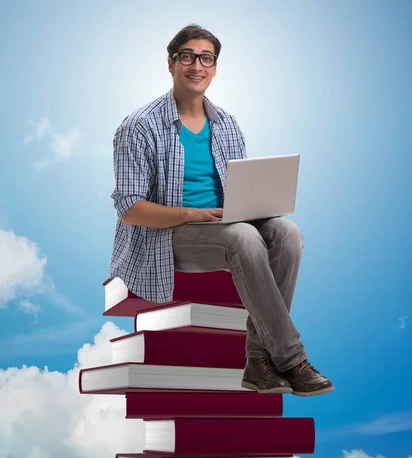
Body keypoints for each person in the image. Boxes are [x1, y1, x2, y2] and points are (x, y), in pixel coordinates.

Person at [109, 24, 334, 397]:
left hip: (225, 224)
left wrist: (256, 204)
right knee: (243, 237)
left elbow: (240, 188)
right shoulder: (140, 126)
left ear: (214, 68)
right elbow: (131, 209)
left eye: (206, 58)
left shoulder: (227, 124)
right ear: (171, 64)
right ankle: (291, 360)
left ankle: (258, 362)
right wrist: (192, 215)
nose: (197, 66)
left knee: (288, 233)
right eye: (187, 57)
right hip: (167, 237)